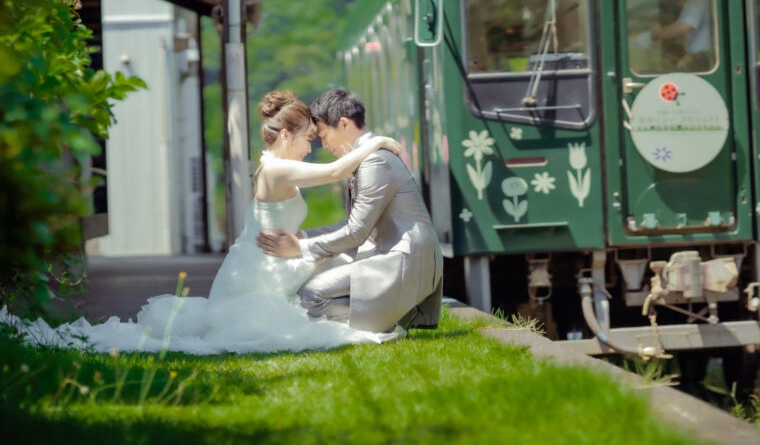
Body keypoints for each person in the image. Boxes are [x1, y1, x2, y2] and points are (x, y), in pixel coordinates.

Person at [0, 91, 405, 354]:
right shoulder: (277, 170)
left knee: (336, 263)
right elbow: (335, 173)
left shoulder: (274, 165)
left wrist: (299, 238)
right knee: (317, 287)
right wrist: (379, 143)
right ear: (284, 136)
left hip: (267, 260)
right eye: (306, 140)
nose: (309, 147)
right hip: (258, 273)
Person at [258, 88, 443, 334]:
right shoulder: (366, 157)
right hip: (388, 253)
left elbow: (356, 232)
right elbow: (352, 223)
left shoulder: (375, 160)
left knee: (311, 295)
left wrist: (300, 248)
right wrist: (305, 237)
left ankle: (389, 319)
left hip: (402, 259)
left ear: (343, 123)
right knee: (307, 285)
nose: (322, 144)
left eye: (323, 134)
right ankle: (385, 314)